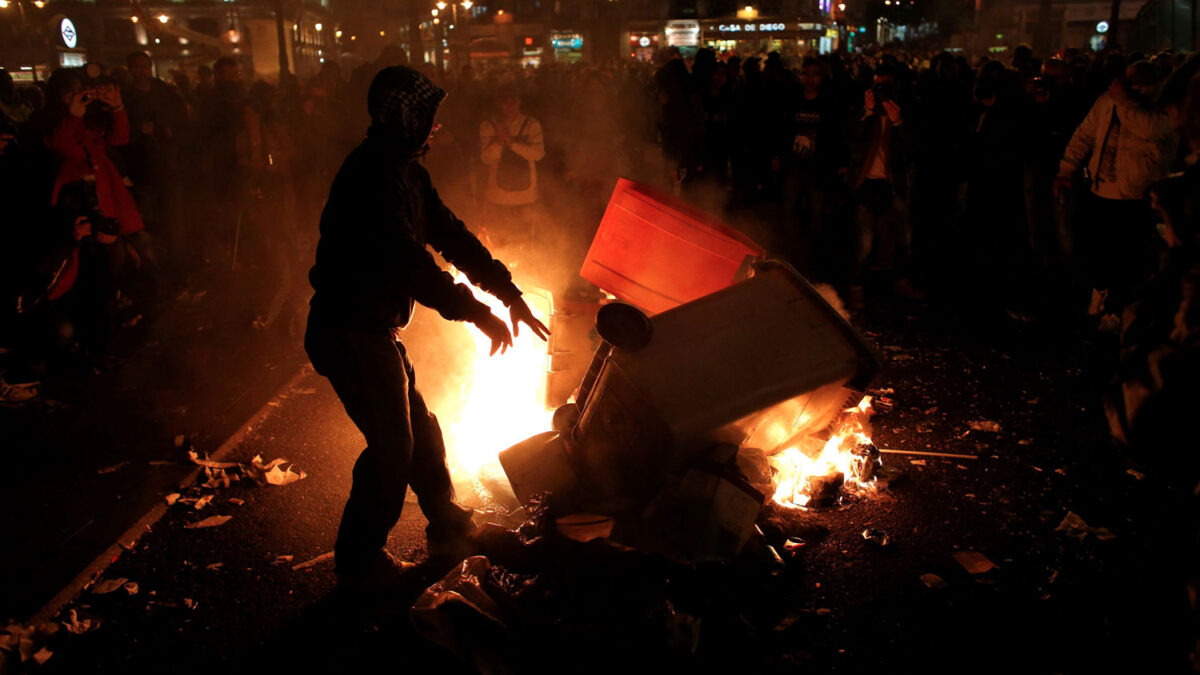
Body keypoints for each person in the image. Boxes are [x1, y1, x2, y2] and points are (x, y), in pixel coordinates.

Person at [305, 66, 549, 588]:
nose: (435, 129)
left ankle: (449, 527)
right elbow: (408, 263)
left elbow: (452, 236)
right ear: (404, 118)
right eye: (429, 119)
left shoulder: (407, 171)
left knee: (422, 434)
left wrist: (508, 294)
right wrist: (477, 312)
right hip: (349, 330)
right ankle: (360, 563)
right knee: (393, 449)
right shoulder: (372, 174)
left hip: (374, 331)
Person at [1055, 60, 1177, 317]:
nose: (1133, 90)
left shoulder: (1161, 109)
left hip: (1137, 195)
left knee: (1128, 258)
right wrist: (1067, 170)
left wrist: (1123, 100)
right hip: (1101, 190)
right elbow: (1084, 136)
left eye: (1139, 85)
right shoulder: (1107, 102)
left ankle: (1119, 311)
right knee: (1098, 251)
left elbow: (1149, 130)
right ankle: (1101, 296)